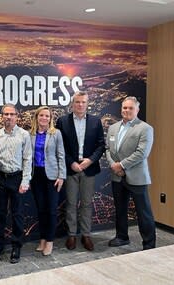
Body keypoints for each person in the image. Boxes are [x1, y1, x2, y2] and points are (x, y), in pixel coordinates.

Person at [56, 91, 105, 251]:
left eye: (83, 102)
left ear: (87, 103)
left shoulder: (96, 121)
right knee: (70, 203)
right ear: (72, 104)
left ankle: (86, 235)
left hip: (88, 169)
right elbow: (60, 146)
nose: (80, 105)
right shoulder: (63, 121)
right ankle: (71, 235)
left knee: (86, 204)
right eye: (77, 102)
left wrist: (89, 161)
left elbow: (101, 145)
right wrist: (71, 163)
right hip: (71, 169)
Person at [106, 96, 156, 250]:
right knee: (120, 209)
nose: (126, 110)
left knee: (143, 212)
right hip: (117, 176)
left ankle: (149, 244)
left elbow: (142, 153)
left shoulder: (145, 128)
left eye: (130, 108)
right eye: (124, 108)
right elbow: (108, 149)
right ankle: (122, 237)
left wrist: (121, 165)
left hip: (137, 177)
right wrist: (113, 165)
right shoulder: (113, 128)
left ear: (137, 110)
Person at [0, 104, 32, 264]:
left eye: (11, 114)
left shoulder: (24, 135)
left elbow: (28, 159)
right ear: (2, 116)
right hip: (1, 178)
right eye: (5, 114)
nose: (8, 117)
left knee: (17, 214)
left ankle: (16, 246)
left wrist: (25, 180)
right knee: (0, 214)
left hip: (17, 178)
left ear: (17, 116)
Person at [29, 106, 66, 256]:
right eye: (41, 115)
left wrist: (61, 176)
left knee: (51, 210)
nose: (44, 118)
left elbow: (61, 155)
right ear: (37, 117)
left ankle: (50, 241)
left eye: (47, 116)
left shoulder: (56, 134)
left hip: (52, 176)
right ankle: (42, 239)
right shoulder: (30, 134)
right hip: (36, 175)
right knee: (41, 209)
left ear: (50, 119)